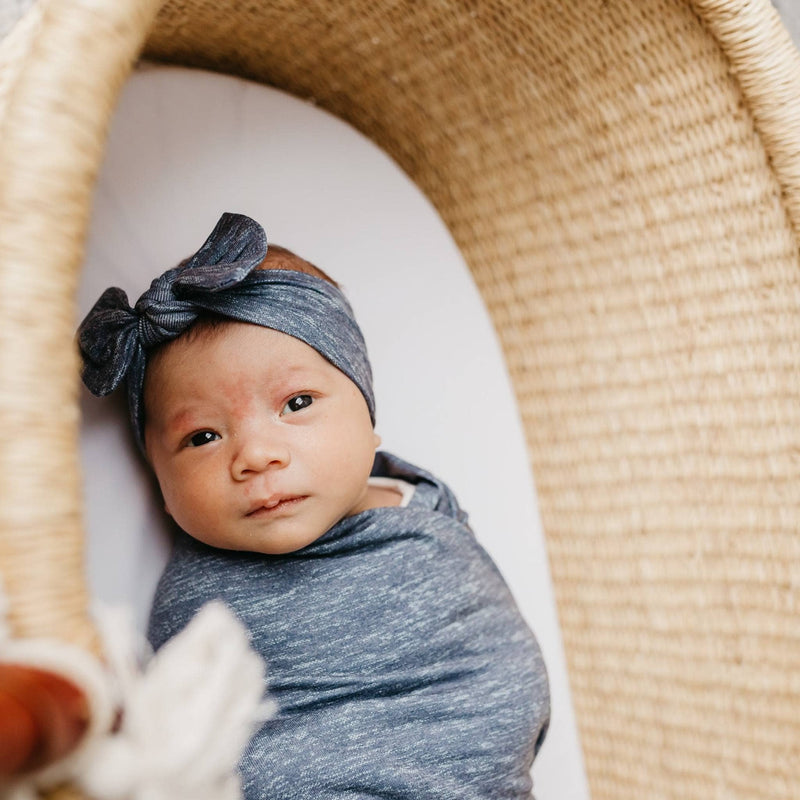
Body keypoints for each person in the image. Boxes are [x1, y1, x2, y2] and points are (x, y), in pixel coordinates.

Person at [78, 212, 550, 800]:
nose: (255, 454)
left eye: (296, 403)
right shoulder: (201, 609)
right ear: (158, 479)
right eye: (202, 437)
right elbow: (180, 743)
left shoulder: (427, 515)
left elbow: (494, 673)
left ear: (368, 416)